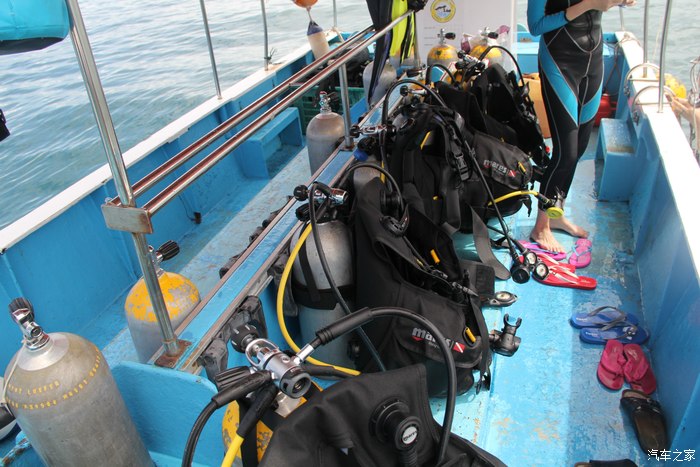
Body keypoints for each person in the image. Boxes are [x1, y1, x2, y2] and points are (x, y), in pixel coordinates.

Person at [527, 0, 635, 252]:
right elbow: (535, 26)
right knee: (566, 152)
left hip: (593, 61)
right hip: (559, 62)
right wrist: (588, 4)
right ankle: (540, 227)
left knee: (581, 146)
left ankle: (556, 214)